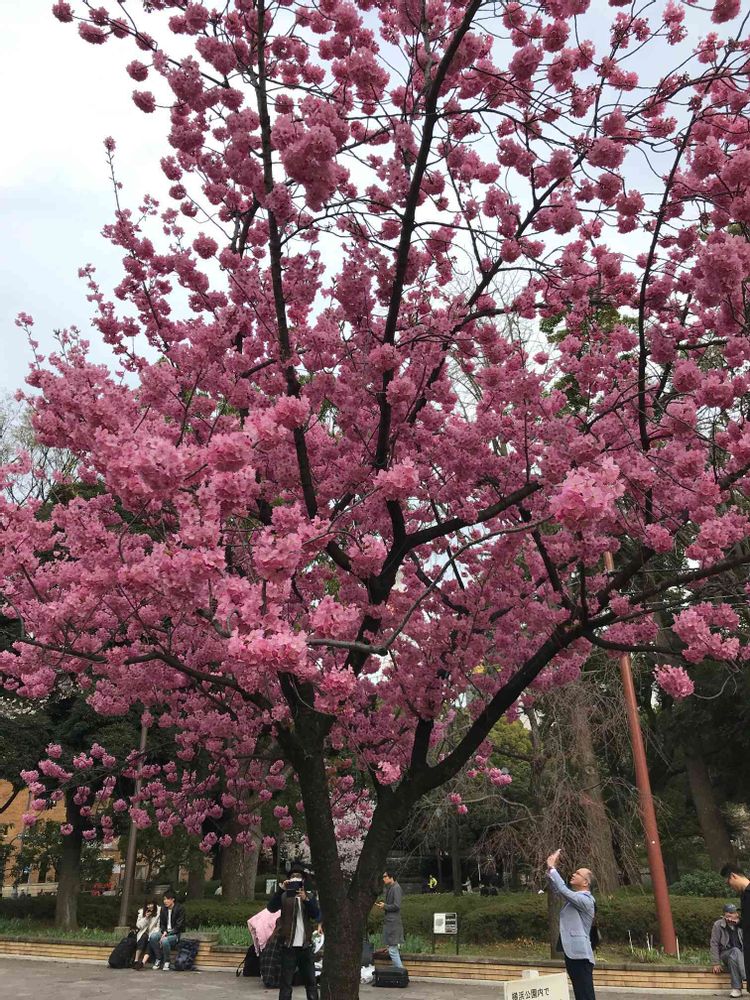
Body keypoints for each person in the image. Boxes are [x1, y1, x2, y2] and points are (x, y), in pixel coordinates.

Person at [546, 848, 596, 1000]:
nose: (573, 874)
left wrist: (553, 868)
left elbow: (562, 890)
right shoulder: (575, 898)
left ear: (586, 882)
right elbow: (558, 890)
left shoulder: (586, 900)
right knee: (580, 993)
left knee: (585, 994)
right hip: (573, 953)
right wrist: (550, 869)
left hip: (581, 955)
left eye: (578, 873)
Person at [267, 861, 320, 1000]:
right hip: (288, 946)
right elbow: (271, 908)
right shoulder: (284, 896)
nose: (296, 879)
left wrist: (306, 900)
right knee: (286, 983)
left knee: (311, 982)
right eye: (293, 877)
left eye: (299, 877)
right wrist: (281, 890)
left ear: (303, 880)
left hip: (305, 946)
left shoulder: (310, 896)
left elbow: (316, 915)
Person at [721, 864, 750, 995]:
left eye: (729, 883)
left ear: (733, 876)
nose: (730, 887)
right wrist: (739, 922)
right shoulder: (744, 895)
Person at [710, 902, 745, 998]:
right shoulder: (718, 925)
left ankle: (737, 989)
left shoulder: (742, 924)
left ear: (737, 914)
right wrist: (716, 962)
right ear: (725, 915)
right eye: (729, 914)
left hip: (740, 956)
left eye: (734, 913)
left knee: (733, 959)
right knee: (735, 951)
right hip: (725, 953)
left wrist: (740, 923)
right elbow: (714, 943)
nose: (732, 916)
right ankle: (745, 975)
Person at [148, 890, 186, 971]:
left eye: (167, 899)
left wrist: (167, 934)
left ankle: (167, 961)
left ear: (173, 899)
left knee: (165, 940)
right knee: (153, 937)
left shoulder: (180, 909)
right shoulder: (163, 909)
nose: (165, 901)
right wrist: (164, 931)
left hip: (175, 934)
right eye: (164, 899)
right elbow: (162, 924)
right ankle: (158, 958)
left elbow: (179, 926)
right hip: (165, 932)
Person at [376, 870, 405, 969]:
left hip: (393, 923)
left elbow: (397, 906)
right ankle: (400, 972)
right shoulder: (390, 888)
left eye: (385, 876)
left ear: (391, 877)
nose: (383, 878)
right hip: (391, 922)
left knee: (392, 950)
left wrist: (385, 906)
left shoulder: (396, 888)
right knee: (393, 949)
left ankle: (401, 972)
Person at [133, 900, 160, 969]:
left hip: (153, 933)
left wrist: (153, 934)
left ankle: (142, 963)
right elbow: (139, 926)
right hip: (143, 933)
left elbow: (158, 926)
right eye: (148, 904)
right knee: (143, 937)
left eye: (151, 904)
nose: (150, 906)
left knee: (150, 941)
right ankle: (136, 961)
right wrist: (146, 918)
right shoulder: (142, 912)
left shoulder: (158, 912)